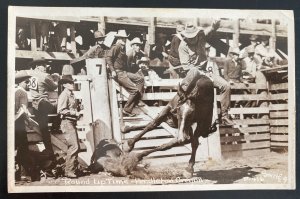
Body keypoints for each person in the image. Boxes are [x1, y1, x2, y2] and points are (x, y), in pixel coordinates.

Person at [180, 44, 234, 126]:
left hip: (209, 82)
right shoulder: (193, 57)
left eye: (208, 49)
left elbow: (217, 76)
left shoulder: (212, 62)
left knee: (226, 85)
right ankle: (179, 105)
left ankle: (224, 116)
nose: (207, 51)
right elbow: (187, 70)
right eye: (205, 49)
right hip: (196, 79)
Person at [106, 30, 144, 117]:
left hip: (123, 72)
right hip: (118, 73)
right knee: (134, 90)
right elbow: (108, 58)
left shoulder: (122, 48)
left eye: (125, 38)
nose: (124, 40)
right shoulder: (117, 47)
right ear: (118, 39)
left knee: (140, 79)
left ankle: (136, 100)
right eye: (122, 38)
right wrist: (112, 70)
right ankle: (126, 110)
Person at [24, 57, 58, 157]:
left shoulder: (29, 76)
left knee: (43, 128)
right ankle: (56, 128)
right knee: (58, 108)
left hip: (35, 105)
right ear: (38, 67)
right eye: (43, 66)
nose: (45, 67)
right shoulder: (45, 75)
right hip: (43, 103)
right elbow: (54, 87)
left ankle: (49, 150)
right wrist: (56, 79)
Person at [57, 75, 81, 178]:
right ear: (64, 84)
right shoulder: (64, 95)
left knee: (74, 146)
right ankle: (69, 171)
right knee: (74, 146)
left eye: (72, 82)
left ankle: (70, 169)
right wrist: (75, 113)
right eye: (70, 83)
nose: (72, 84)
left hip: (71, 122)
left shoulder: (71, 94)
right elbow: (60, 110)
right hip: (67, 123)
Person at [14, 71, 32, 181]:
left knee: (13, 148)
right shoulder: (22, 92)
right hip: (18, 123)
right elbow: (23, 110)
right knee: (23, 147)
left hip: (11, 122)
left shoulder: (13, 91)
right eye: (27, 82)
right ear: (21, 82)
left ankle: (14, 174)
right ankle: (23, 174)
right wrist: (30, 123)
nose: (28, 84)